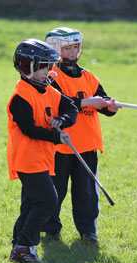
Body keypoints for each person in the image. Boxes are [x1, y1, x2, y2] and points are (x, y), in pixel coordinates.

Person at [42, 27, 120, 243]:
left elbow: (102, 102)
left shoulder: (88, 76)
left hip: (86, 145)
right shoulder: (50, 77)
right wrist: (86, 102)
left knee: (86, 192)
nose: (73, 52)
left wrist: (109, 106)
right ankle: (51, 229)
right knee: (55, 191)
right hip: (60, 145)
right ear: (54, 49)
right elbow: (56, 104)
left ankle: (88, 230)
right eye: (68, 48)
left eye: (76, 47)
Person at [7, 39, 78, 263]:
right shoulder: (21, 96)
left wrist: (62, 120)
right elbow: (29, 129)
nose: (49, 71)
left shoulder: (47, 88)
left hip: (43, 157)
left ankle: (19, 240)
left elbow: (71, 107)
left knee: (31, 202)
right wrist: (57, 137)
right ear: (27, 68)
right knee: (47, 200)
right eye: (44, 66)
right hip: (27, 158)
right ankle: (24, 246)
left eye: (50, 65)